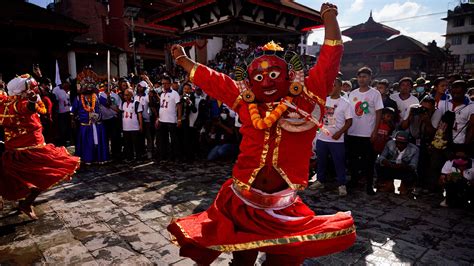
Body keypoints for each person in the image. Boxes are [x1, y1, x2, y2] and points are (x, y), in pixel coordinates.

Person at [167, 3, 355, 265]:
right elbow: (215, 81)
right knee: (242, 261)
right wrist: (183, 60)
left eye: (274, 74)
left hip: (283, 205)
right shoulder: (246, 101)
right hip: (243, 202)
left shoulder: (307, 97)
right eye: (258, 76)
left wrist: (329, 17)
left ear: (290, 77)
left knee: (283, 262)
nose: (266, 82)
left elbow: (331, 56)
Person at [0, 75, 80, 219]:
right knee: (45, 175)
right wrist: (31, 101)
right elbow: (28, 108)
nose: (33, 90)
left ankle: (24, 203)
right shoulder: (18, 104)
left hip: (23, 148)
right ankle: (26, 203)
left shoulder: (6, 102)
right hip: (29, 150)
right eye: (29, 89)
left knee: (23, 179)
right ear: (21, 91)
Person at [310, 78, 352, 196]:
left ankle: (341, 184)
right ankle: (320, 180)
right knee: (321, 161)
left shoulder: (345, 103)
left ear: (340, 87)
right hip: (322, 138)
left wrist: (339, 133)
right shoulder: (324, 100)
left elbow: (349, 122)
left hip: (337, 139)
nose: (331, 88)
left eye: (333, 85)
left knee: (339, 162)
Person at [347, 66, 384, 195]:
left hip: (367, 133)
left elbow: (379, 113)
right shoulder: (353, 93)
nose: (362, 79)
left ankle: (369, 185)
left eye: (365, 77)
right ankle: (354, 181)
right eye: (360, 77)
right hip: (352, 132)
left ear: (370, 78)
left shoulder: (375, 93)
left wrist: (375, 131)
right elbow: (349, 112)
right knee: (353, 160)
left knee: (368, 161)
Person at [72, 83, 109, 164]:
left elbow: (107, 103)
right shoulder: (78, 98)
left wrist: (108, 95)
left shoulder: (97, 96)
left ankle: (98, 158)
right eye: (86, 86)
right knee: (87, 143)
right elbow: (73, 111)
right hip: (85, 125)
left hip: (97, 123)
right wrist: (73, 120)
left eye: (90, 86)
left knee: (97, 141)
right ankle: (87, 158)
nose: (88, 88)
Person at [156, 76, 182, 161]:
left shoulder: (175, 93)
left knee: (174, 140)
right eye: (163, 83)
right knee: (164, 139)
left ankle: (176, 156)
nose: (164, 85)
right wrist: (158, 118)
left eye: (166, 83)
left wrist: (179, 119)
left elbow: (179, 106)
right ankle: (165, 156)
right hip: (162, 120)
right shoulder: (162, 94)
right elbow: (161, 107)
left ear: (170, 84)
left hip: (171, 120)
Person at [121, 88, 143, 161]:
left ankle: (138, 158)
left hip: (134, 127)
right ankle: (129, 157)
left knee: (136, 144)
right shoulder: (123, 103)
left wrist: (140, 125)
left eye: (127, 95)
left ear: (131, 95)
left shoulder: (136, 103)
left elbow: (139, 115)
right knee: (127, 144)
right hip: (126, 127)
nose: (125, 96)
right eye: (124, 95)